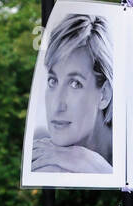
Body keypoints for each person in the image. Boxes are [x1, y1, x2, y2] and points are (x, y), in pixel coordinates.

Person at [32, 15, 114, 174]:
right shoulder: (41, 148)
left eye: (75, 83)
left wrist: (95, 167)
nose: (57, 105)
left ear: (104, 95)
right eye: (52, 81)